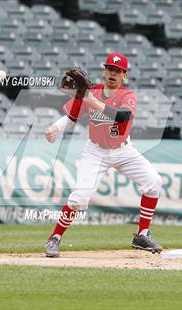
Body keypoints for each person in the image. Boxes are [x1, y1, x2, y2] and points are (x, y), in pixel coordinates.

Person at [44, 52, 163, 257]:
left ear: (124, 76)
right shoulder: (91, 92)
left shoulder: (127, 95)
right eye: (110, 69)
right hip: (96, 151)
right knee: (79, 197)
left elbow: (122, 117)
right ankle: (55, 238)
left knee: (154, 182)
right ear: (103, 71)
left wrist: (90, 99)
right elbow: (71, 117)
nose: (113, 74)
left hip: (123, 149)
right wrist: (55, 127)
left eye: (118, 71)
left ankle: (142, 234)